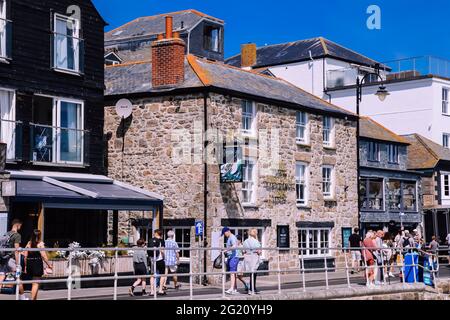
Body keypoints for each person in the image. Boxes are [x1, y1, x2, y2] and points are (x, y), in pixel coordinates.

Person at [0, 219, 27, 300]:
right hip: (11, 259)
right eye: (20, 226)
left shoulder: (6, 233)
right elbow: (16, 250)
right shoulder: (17, 235)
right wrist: (18, 263)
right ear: (18, 225)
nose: (20, 228)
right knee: (18, 278)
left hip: (3, 259)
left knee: (1, 277)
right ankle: (23, 298)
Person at [22, 230, 52, 300]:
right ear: (39, 236)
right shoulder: (40, 243)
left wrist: (26, 266)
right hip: (37, 263)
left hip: (29, 263)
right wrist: (49, 264)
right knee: (35, 283)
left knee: (34, 283)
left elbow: (25, 255)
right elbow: (44, 255)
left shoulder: (29, 243)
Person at [243, 229, 262, 295]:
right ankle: (252, 288)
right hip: (254, 257)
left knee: (250, 274)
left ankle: (252, 288)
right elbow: (259, 251)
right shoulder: (256, 241)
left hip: (247, 258)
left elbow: (244, 251)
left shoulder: (245, 241)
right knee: (254, 274)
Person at [148, 229, 166, 295]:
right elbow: (162, 251)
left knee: (152, 275)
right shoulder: (162, 241)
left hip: (152, 260)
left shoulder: (150, 240)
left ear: (156, 233)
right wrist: (164, 257)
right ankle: (160, 290)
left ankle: (152, 291)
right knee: (162, 275)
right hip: (160, 259)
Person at [222, 227, 239, 295]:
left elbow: (234, 246)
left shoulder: (232, 237)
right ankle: (234, 288)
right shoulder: (230, 238)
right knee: (233, 273)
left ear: (227, 231)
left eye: (224, 233)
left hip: (233, 257)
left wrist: (226, 250)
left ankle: (232, 288)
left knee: (232, 273)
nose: (224, 235)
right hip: (231, 257)